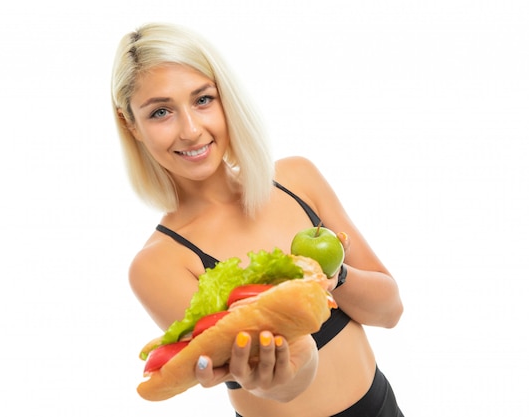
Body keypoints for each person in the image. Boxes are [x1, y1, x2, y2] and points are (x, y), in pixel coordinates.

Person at [111, 22, 405, 417]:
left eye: (203, 100)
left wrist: (334, 279)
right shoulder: (157, 264)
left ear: (225, 97)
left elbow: (390, 311)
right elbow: (283, 389)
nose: (191, 130)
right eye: (161, 112)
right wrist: (276, 363)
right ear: (132, 124)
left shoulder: (297, 178)